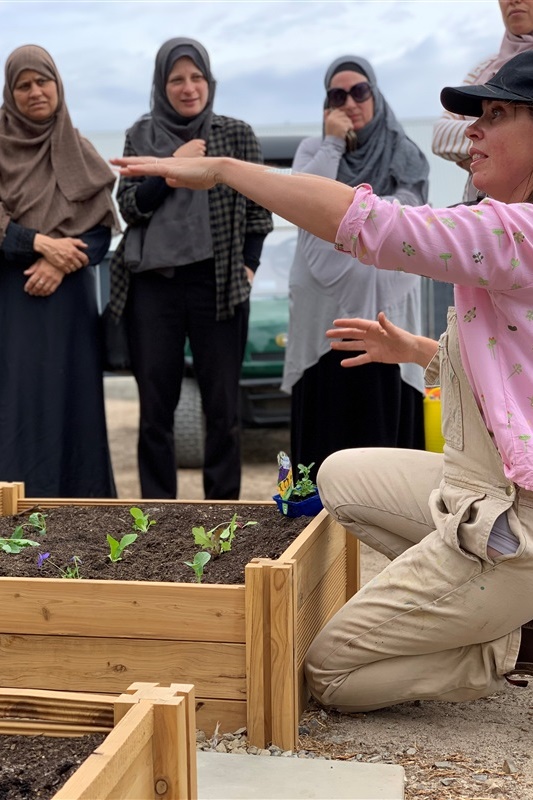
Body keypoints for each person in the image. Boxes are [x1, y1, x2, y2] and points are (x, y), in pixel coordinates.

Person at [113, 49, 533, 709]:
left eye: (498, 114)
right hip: (484, 491)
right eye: (476, 114)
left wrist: (222, 168)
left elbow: (369, 225)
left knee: (327, 673)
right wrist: (419, 350)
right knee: (336, 475)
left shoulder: (518, 230)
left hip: (516, 520)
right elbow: (514, 373)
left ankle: (500, 640)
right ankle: (494, 606)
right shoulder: (509, 227)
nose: (473, 130)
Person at [109, 37, 272, 500]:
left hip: (218, 284)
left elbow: (260, 209)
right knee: (155, 411)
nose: (188, 87)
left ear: (209, 81)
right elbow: (130, 209)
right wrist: (170, 168)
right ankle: (157, 517)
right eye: (176, 79)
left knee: (222, 411)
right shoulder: (141, 135)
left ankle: (223, 517)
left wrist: (249, 267)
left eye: (196, 77)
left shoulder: (235, 135)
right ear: (161, 85)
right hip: (153, 288)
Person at [284, 56, 429, 482]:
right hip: (324, 320)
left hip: (386, 316)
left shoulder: (404, 152)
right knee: (323, 450)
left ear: (376, 95)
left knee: (387, 457)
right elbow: (301, 203)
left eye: (360, 92)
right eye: (337, 95)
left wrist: (342, 223)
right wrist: (332, 144)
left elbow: (403, 225)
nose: (350, 102)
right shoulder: (313, 149)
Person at [0, 45, 118, 498]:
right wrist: (37, 243)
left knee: (74, 406)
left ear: (58, 85)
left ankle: (80, 508)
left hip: (69, 306)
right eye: (23, 85)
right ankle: (11, 508)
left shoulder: (78, 148)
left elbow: (101, 232)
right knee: (18, 403)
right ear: (11, 93)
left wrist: (55, 260)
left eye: (42, 81)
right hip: (14, 299)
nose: (35, 92)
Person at [432, 0, 533, 202]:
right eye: (481, 112)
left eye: (497, 112)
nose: (472, 131)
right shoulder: (484, 69)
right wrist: (491, 152)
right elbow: (439, 136)